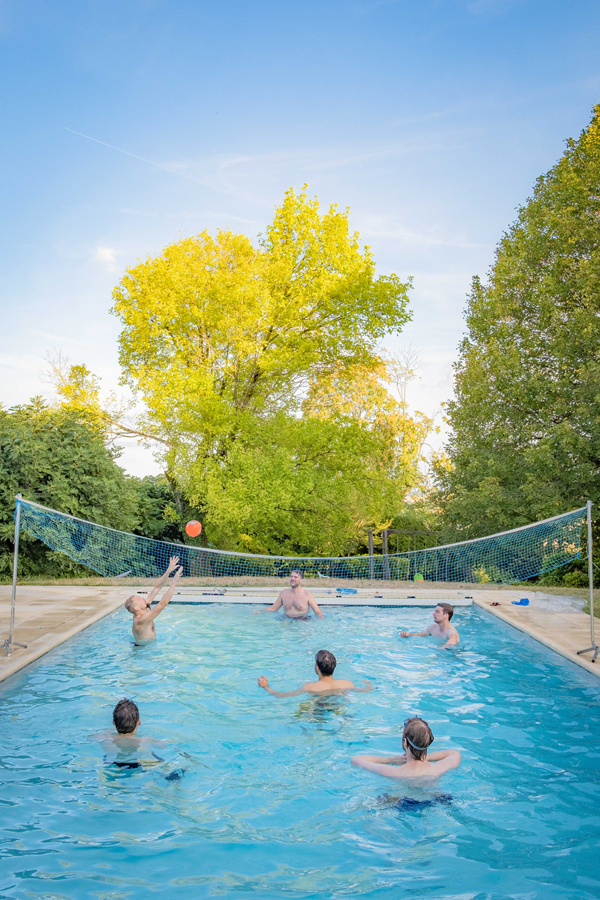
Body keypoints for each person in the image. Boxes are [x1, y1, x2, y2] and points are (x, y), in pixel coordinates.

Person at [351, 716, 461, 782]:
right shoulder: (439, 768)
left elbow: (356, 760)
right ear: (427, 743)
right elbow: (454, 753)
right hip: (436, 799)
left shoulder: (393, 772)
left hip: (406, 803)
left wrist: (391, 760)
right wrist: (423, 757)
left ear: (405, 742)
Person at [89, 698, 166, 769]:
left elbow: (90, 737)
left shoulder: (105, 739)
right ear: (138, 722)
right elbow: (163, 747)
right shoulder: (146, 740)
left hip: (114, 764)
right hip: (139, 764)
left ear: (113, 722)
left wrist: (110, 730)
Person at [258, 649, 372, 697]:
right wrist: (368, 684)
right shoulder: (346, 683)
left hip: (319, 707)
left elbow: (281, 695)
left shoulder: (310, 687)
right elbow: (365, 690)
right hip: (338, 704)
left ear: (317, 668)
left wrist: (266, 687)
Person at [124, 557, 183, 644]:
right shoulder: (140, 620)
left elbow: (157, 588)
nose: (143, 598)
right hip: (143, 650)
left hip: (148, 646)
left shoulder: (143, 607)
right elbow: (163, 603)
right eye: (139, 599)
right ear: (137, 607)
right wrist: (174, 581)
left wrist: (169, 570)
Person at [253, 569, 324, 619]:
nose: (292, 579)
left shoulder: (307, 594)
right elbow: (273, 608)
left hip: (302, 620)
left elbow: (317, 611)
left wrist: (320, 616)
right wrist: (261, 611)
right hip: (286, 619)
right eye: (291, 576)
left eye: (295, 577)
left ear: (301, 580)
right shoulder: (283, 593)